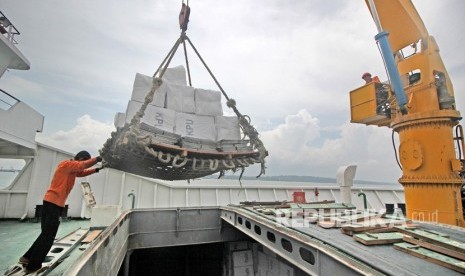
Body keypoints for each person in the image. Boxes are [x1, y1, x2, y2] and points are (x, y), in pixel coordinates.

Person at [17, 151, 104, 275]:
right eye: (84, 161)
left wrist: (96, 170)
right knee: (49, 236)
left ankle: (27, 257)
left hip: (51, 203)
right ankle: (33, 266)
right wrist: (98, 159)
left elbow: (81, 172)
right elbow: (81, 166)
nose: (84, 164)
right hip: (53, 204)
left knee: (45, 234)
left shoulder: (70, 169)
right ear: (80, 158)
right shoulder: (67, 164)